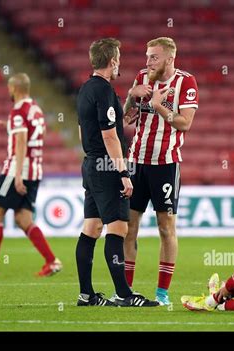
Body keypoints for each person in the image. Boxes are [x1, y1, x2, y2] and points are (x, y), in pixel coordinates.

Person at [76, 38, 158, 307]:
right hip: (108, 166)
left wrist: (122, 119)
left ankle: (86, 294)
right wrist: (123, 172)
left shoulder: (86, 89)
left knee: (91, 227)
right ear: (112, 61)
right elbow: (110, 137)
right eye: (118, 58)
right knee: (118, 228)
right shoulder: (105, 91)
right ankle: (124, 294)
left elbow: (84, 131)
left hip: (91, 164)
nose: (119, 62)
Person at [123, 37, 199, 305]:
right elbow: (125, 116)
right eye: (147, 56)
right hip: (136, 163)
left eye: (153, 57)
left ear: (169, 59)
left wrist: (158, 105)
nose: (148, 62)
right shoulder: (141, 77)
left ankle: (162, 292)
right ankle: (125, 290)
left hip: (165, 165)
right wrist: (132, 99)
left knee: (165, 228)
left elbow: (185, 123)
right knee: (128, 226)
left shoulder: (185, 82)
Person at [0, 73, 62, 277]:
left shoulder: (18, 111)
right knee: (23, 218)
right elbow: (41, 134)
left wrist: (17, 175)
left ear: (15, 89)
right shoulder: (35, 109)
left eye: (9, 88)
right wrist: (11, 128)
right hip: (35, 169)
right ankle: (52, 261)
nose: (8, 91)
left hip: (16, 170)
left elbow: (20, 141)